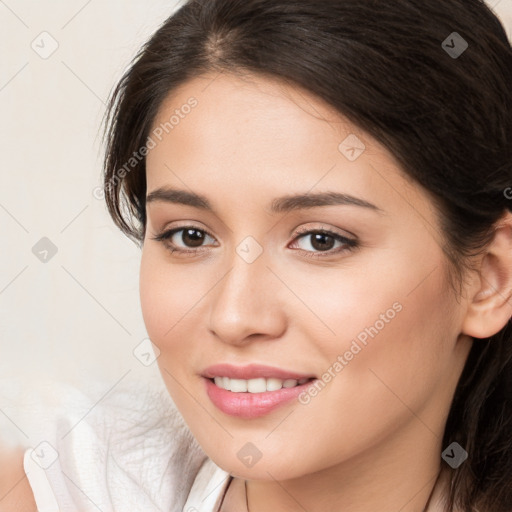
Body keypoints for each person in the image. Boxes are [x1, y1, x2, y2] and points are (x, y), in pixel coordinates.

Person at [1, 0, 511, 511]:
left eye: (320, 240)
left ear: (490, 278)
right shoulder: (55, 492)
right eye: (190, 236)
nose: (234, 317)